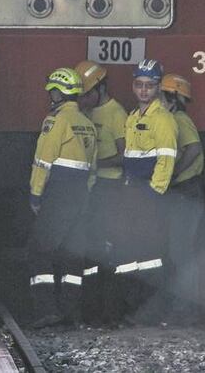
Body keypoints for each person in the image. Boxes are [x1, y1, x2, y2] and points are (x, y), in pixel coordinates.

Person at [27, 68, 98, 328]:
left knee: (39, 249)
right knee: (72, 255)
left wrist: (35, 195)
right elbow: (92, 170)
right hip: (81, 194)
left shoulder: (55, 121)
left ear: (58, 93)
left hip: (58, 192)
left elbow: (42, 162)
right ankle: (71, 312)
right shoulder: (88, 124)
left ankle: (46, 310)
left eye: (52, 92)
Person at [112, 59, 176, 321]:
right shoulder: (133, 117)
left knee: (150, 253)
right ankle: (134, 306)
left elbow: (167, 159)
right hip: (132, 192)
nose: (144, 90)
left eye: (149, 85)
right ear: (133, 86)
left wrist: (154, 192)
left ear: (158, 87)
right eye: (139, 84)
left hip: (149, 194)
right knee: (131, 250)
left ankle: (153, 309)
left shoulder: (163, 119)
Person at [74, 60, 128, 323]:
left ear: (100, 88)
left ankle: (110, 311)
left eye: (86, 93)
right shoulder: (86, 112)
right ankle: (92, 309)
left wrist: (96, 164)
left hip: (110, 187)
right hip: (92, 187)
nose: (83, 98)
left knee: (107, 249)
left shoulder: (116, 114)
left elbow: (125, 155)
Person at [161, 73, 205, 317]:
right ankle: (183, 306)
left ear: (173, 98)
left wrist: (174, 173)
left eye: (162, 96)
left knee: (181, 251)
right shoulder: (175, 118)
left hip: (186, 192)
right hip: (184, 193)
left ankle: (186, 307)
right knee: (178, 250)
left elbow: (194, 149)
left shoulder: (179, 119)